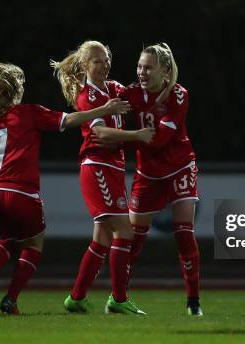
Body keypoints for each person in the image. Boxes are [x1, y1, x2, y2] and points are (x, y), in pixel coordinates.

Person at [0, 62, 130, 315]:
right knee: (33, 244)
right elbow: (69, 120)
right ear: (13, 90)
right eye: (22, 84)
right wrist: (103, 109)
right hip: (21, 193)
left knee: (8, 240)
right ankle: (10, 300)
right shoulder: (28, 113)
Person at [51, 41, 153, 315]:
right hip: (96, 166)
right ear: (85, 66)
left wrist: (155, 80)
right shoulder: (87, 97)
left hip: (113, 168)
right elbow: (101, 135)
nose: (104, 65)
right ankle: (118, 300)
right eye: (97, 61)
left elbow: (139, 93)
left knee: (102, 240)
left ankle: (76, 298)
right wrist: (137, 136)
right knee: (125, 231)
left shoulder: (113, 88)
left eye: (106, 59)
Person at [112, 43, 203, 316]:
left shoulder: (177, 95)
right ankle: (119, 297)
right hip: (148, 174)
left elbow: (160, 140)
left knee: (184, 233)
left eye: (148, 67)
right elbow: (106, 96)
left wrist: (125, 139)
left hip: (180, 168)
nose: (142, 71)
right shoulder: (130, 94)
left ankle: (193, 302)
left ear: (164, 71)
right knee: (133, 239)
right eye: (139, 66)